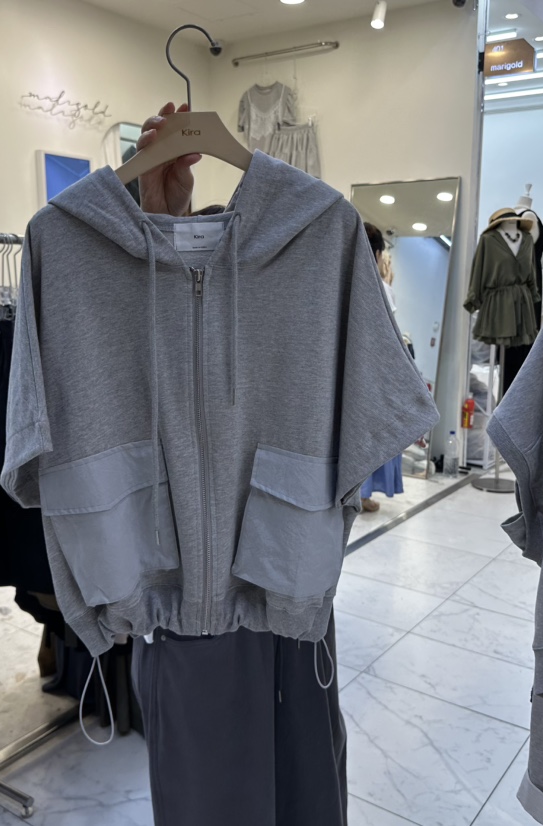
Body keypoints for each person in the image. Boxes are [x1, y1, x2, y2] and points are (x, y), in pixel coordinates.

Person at [131, 102, 348, 826]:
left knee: (304, 788)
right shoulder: (87, 260)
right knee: (210, 797)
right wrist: (156, 226)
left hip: (291, 596)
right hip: (184, 608)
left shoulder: (324, 239)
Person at [359, 222, 405, 512]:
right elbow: (388, 337)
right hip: (372, 369)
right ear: (377, 255)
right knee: (370, 432)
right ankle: (362, 494)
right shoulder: (383, 290)